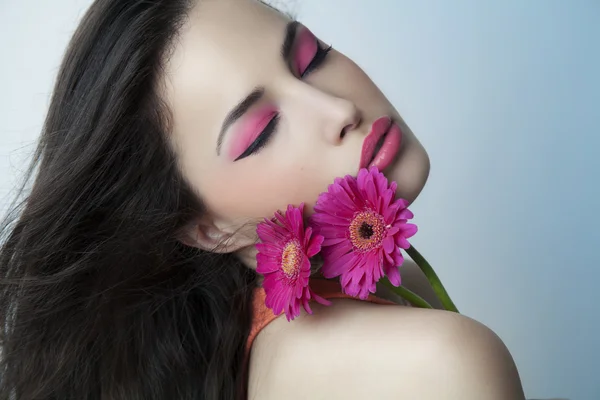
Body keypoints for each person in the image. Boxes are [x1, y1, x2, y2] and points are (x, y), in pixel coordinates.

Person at [0, 0, 526, 399]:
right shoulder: (440, 362)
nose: (338, 108)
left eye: (310, 57)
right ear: (207, 229)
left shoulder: (261, 353)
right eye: (261, 131)